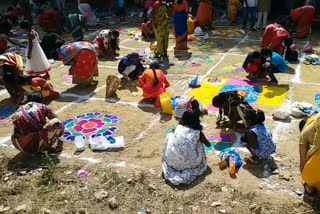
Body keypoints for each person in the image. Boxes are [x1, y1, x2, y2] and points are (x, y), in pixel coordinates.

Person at [162, 110, 210, 185]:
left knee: (170, 136)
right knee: (199, 142)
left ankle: (173, 156)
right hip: (190, 164)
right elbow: (208, 145)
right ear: (196, 120)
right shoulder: (197, 132)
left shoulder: (178, 128)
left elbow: (174, 137)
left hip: (173, 162)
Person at [299, 113, 320, 195]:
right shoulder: (315, 118)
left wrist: (305, 178)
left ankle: (309, 185)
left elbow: (302, 164)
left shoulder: (303, 137)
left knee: (310, 187)